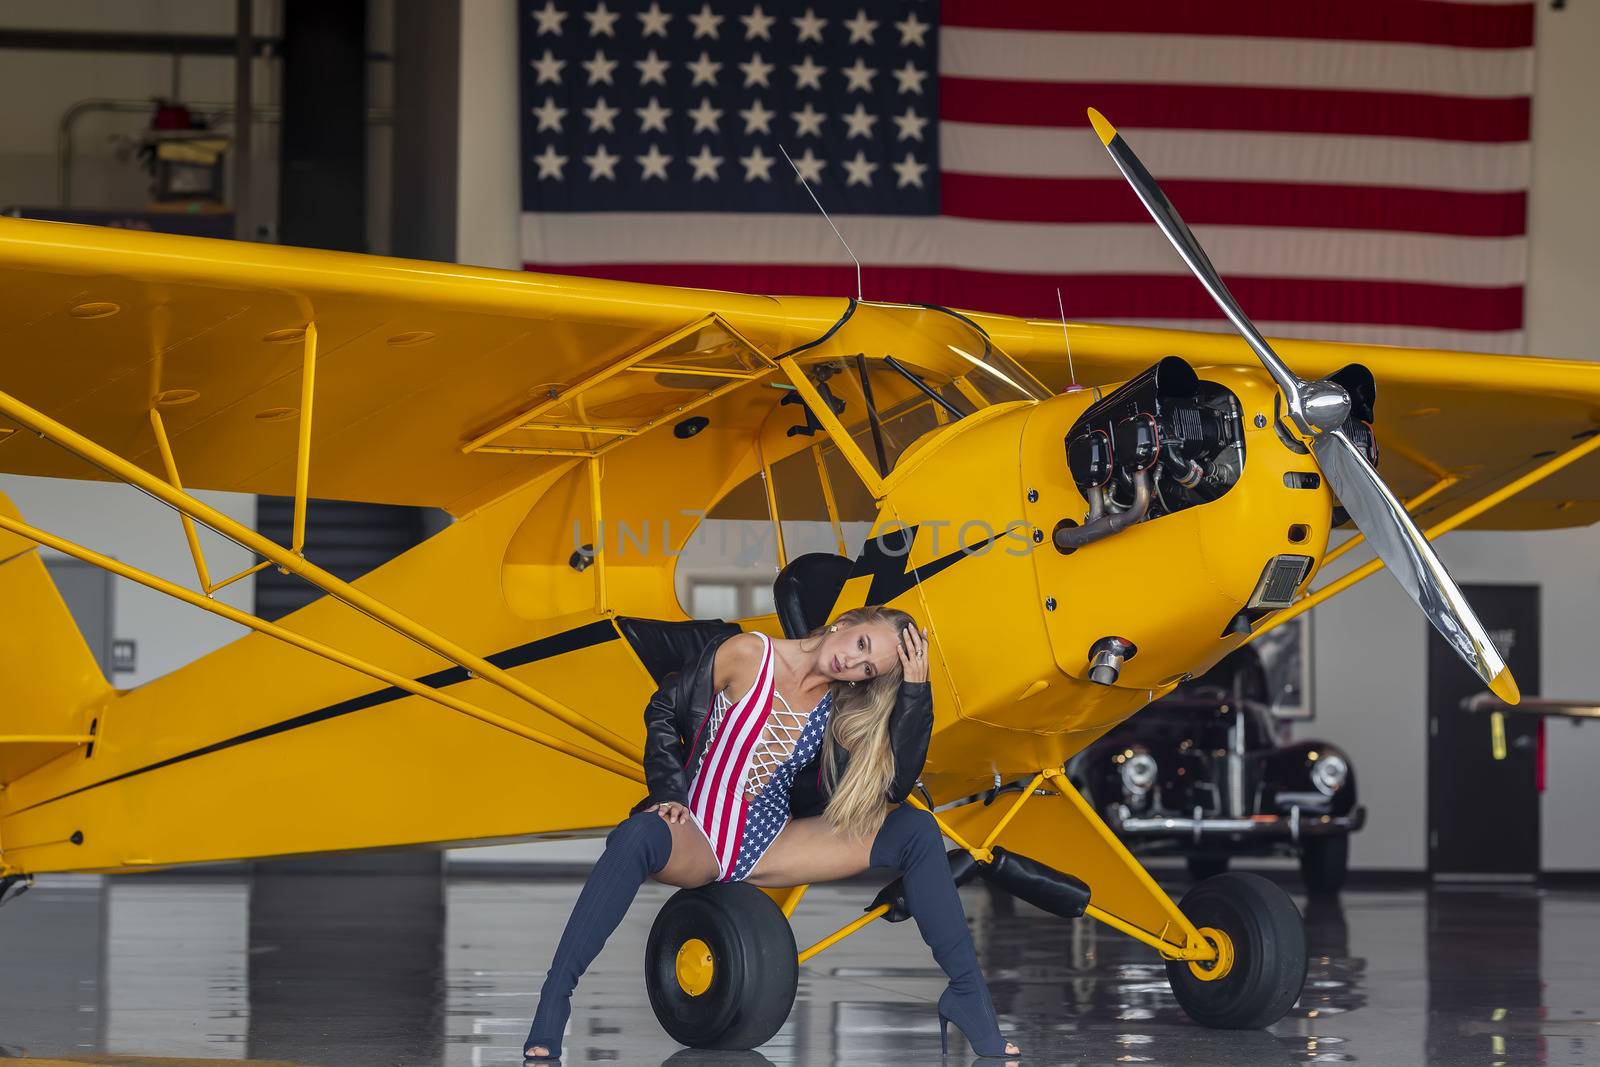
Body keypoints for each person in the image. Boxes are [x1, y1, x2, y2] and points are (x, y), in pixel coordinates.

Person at [522, 604, 1021, 1061]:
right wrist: (668, 791)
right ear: (845, 624)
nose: (854, 664)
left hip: (771, 842)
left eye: (870, 669)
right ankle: (554, 1000)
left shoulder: (840, 710)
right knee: (635, 836)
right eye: (862, 646)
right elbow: (663, 710)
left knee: (914, 829)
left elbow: (894, 785)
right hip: (699, 833)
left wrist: (914, 691)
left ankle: (967, 995)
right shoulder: (747, 654)